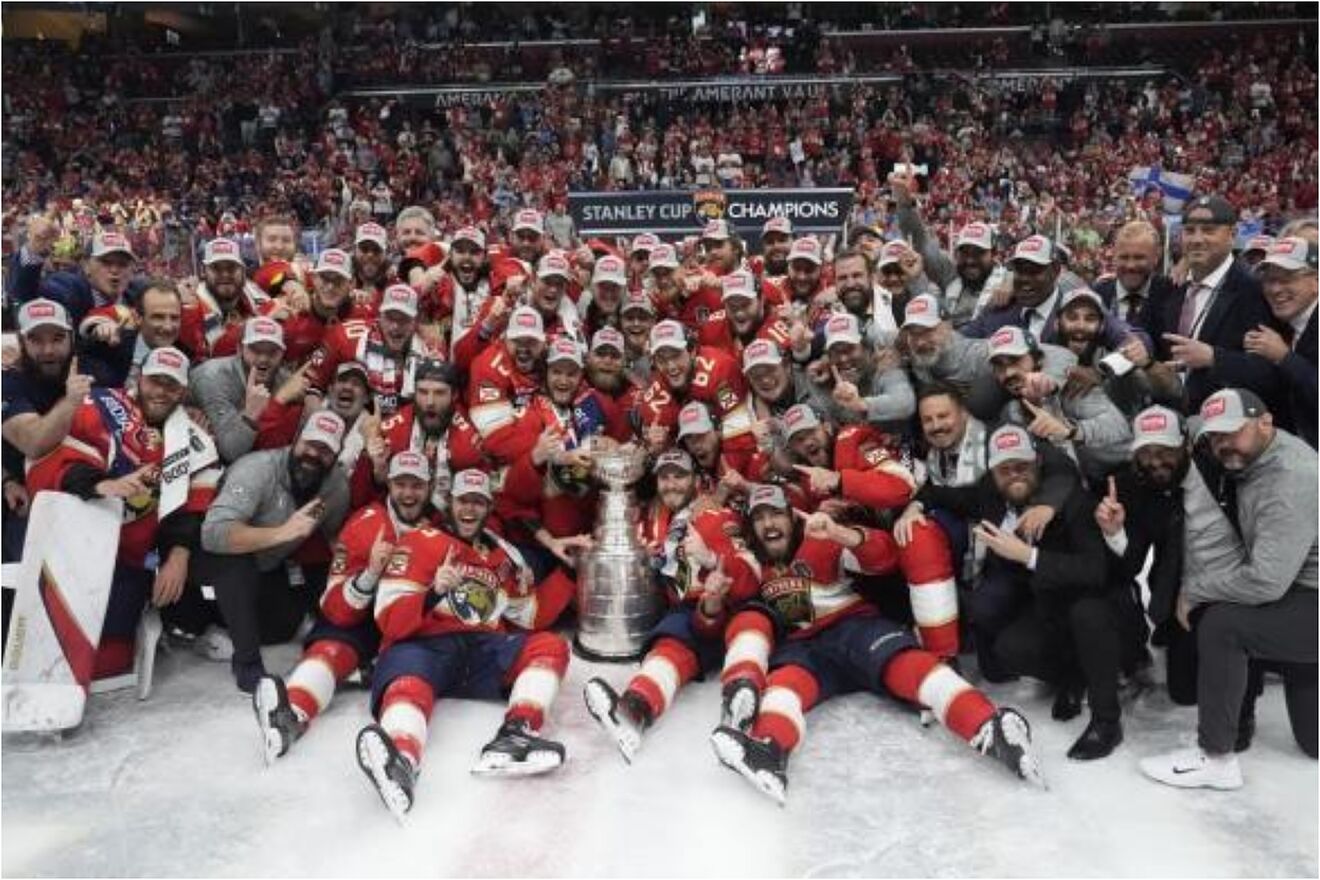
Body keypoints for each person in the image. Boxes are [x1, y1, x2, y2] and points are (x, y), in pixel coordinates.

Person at [708, 485, 1043, 805]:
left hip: (853, 629)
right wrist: (712, 588)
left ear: (791, 517)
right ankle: (768, 751)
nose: (769, 523)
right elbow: (731, 597)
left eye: (776, 514)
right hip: (804, 650)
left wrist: (842, 534)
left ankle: (989, 725)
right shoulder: (754, 566)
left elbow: (883, 557)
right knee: (780, 690)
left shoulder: (819, 540)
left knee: (909, 665)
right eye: (760, 517)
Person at [356, 469, 573, 818]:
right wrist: (432, 594)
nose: (469, 509)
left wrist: (570, 573)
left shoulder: (505, 556)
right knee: (408, 680)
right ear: (450, 502)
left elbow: (529, 616)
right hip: (425, 646)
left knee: (551, 646)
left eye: (478, 502)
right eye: (463, 501)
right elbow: (389, 620)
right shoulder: (419, 541)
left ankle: (516, 734)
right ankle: (400, 760)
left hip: (480, 649)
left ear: (489, 507)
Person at [1140, 389, 1318, 789]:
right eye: (1214, 437)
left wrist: (1196, 590)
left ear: (1266, 421)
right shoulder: (1256, 453)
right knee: (1315, 743)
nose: (1222, 445)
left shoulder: (1289, 479)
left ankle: (1216, 758)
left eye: (1231, 433)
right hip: (1298, 591)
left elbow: (1266, 581)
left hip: (1307, 596)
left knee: (1224, 624)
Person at [911, 424, 1123, 759]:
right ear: (993, 472)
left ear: (1037, 463)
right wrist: (915, 507)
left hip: (1091, 605)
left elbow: (1095, 572)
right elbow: (945, 495)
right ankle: (1071, 675)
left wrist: (1029, 556)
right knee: (1008, 649)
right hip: (1043, 601)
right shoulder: (989, 493)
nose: (1015, 476)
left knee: (1087, 615)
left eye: (1022, 466)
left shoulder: (1072, 501)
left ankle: (1107, 721)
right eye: (1005, 469)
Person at [24, 347, 221, 680]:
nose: (161, 391)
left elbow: (192, 509)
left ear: (183, 391)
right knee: (45, 647)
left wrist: (179, 556)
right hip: (73, 542)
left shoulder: (198, 441)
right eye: (155, 381)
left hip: (131, 556)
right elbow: (50, 460)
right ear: (139, 378)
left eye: (171, 385)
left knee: (113, 657)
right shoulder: (100, 403)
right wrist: (100, 485)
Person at [584, 449, 770, 762]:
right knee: (669, 642)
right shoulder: (653, 520)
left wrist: (713, 561)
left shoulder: (715, 515)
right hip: (692, 616)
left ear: (696, 480)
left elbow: (751, 574)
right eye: (664, 477)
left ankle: (741, 705)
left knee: (750, 624)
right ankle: (633, 710)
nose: (671, 484)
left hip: (733, 607)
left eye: (680, 476)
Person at [253, 450, 434, 764]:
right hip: (362, 618)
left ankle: (401, 753)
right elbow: (334, 607)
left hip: (413, 625)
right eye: (401, 484)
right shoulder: (365, 524)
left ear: (429, 488)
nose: (408, 493)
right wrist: (370, 575)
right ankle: (290, 715)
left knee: (412, 672)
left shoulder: (442, 526)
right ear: (389, 485)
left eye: (416, 485)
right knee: (330, 647)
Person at [198, 411, 352, 692]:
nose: (314, 455)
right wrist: (282, 533)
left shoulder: (336, 486)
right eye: (310, 444)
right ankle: (247, 663)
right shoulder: (257, 469)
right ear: (296, 439)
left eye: (325, 449)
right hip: (209, 568)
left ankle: (224, 629)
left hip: (266, 570)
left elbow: (332, 535)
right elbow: (213, 535)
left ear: (337, 455)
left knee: (283, 625)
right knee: (235, 564)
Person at [1141, 195, 1279, 412]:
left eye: (1208, 230)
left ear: (1232, 235)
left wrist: (1214, 358)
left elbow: (1268, 372)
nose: (1197, 239)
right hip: (1166, 414)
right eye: (1190, 230)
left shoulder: (1254, 291)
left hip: (1225, 422)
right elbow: (1144, 335)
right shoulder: (1168, 287)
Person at [1244, 237, 1317, 447]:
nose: (1275, 289)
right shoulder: (1284, 323)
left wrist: (1284, 357)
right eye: (1269, 280)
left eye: (1287, 279)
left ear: (1316, 281)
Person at [190, 317, 291, 464]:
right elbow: (230, 451)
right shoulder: (213, 378)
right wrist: (251, 415)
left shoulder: (286, 380)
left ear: (282, 353)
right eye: (255, 349)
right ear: (239, 349)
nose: (263, 358)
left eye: (272, 351)